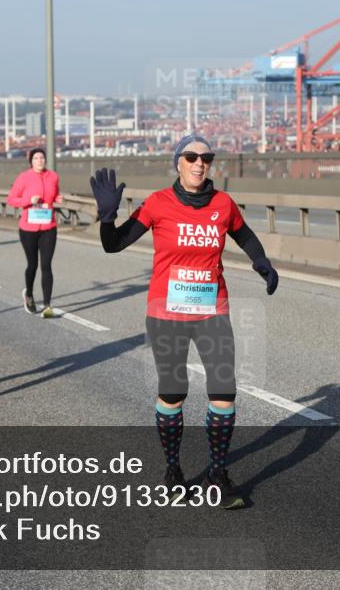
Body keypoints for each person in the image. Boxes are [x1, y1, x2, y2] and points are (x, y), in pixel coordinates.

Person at [90, 134, 279, 508]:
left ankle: (218, 474)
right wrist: (108, 217)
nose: (199, 163)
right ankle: (173, 469)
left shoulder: (223, 204)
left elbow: (244, 235)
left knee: (224, 393)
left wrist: (262, 263)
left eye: (206, 157)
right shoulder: (158, 203)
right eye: (191, 156)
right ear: (178, 162)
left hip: (212, 310)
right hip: (167, 313)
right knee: (173, 393)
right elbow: (114, 244)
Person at [7, 147, 63, 318]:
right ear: (31, 161)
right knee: (33, 265)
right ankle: (29, 294)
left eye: (42, 157)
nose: (39, 160)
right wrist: (27, 201)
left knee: (46, 266)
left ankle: (47, 305)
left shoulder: (53, 176)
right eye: (36, 158)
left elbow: (55, 195)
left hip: (48, 227)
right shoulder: (24, 177)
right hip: (28, 228)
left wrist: (58, 199)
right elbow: (11, 199)